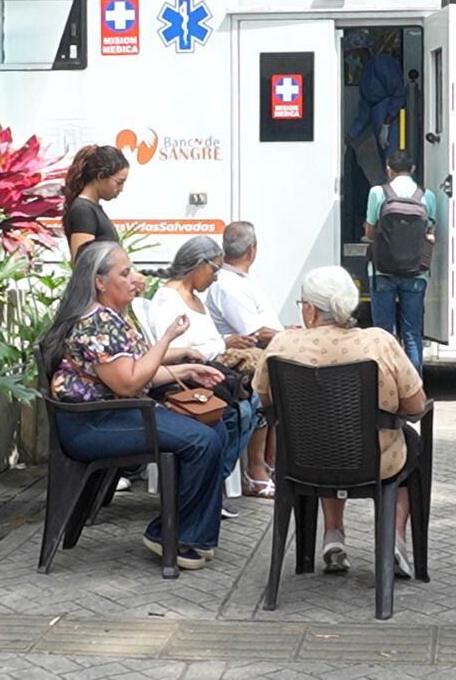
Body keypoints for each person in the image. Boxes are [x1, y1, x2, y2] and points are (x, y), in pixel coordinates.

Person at [39, 242, 228, 570]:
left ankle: (193, 533)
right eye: (124, 273)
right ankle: (168, 534)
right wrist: (168, 338)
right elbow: (128, 382)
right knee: (202, 440)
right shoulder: (96, 322)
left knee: (216, 426)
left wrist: (187, 369)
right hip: (91, 425)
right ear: (100, 282)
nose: (133, 279)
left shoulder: (112, 317)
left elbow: (139, 372)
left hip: (115, 414)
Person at [252, 266, 426, 579]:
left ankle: (333, 534)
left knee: (325, 435)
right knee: (410, 445)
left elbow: (265, 399)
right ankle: (394, 538)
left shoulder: (282, 344)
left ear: (310, 308)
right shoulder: (378, 342)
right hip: (371, 462)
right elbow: (415, 405)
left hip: (302, 461)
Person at [146, 236, 264, 517]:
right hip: (184, 381)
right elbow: (166, 350)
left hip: (211, 371)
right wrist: (216, 348)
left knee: (256, 402)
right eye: (214, 271)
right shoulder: (168, 300)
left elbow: (208, 341)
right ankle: (208, 486)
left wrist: (227, 343)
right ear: (198, 265)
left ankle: (212, 483)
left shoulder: (195, 298)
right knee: (238, 411)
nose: (215, 279)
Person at [206, 222, 284, 496]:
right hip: (237, 361)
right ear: (252, 250)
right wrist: (293, 340)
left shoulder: (242, 279)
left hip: (257, 354)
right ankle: (256, 470)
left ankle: (271, 460)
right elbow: (255, 334)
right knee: (269, 383)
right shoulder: (228, 285)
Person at [366, 150, 438, 375]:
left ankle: (384, 384)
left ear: (389, 168)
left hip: (382, 271)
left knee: (383, 332)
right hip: (416, 274)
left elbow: (370, 232)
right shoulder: (427, 196)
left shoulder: (378, 192)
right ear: (413, 169)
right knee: (412, 333)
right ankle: (414, 385)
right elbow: (430, 231)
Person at [343, 30, 406, 159]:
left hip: (389, 116)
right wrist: (350, 136)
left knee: (393, 158)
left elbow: (398, 92)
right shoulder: (366, 71)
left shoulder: (382, 63)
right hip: (377, 116)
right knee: (385, 158)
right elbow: (365, 111)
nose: (351, 57)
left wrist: (387, 123)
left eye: (351, 53)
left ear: (360, 50)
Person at [63, 144, 129, 261]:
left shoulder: (90, 209)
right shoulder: (83, 211)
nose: (121, 189)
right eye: (119, 182)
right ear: (101, 176)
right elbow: (83, 263)